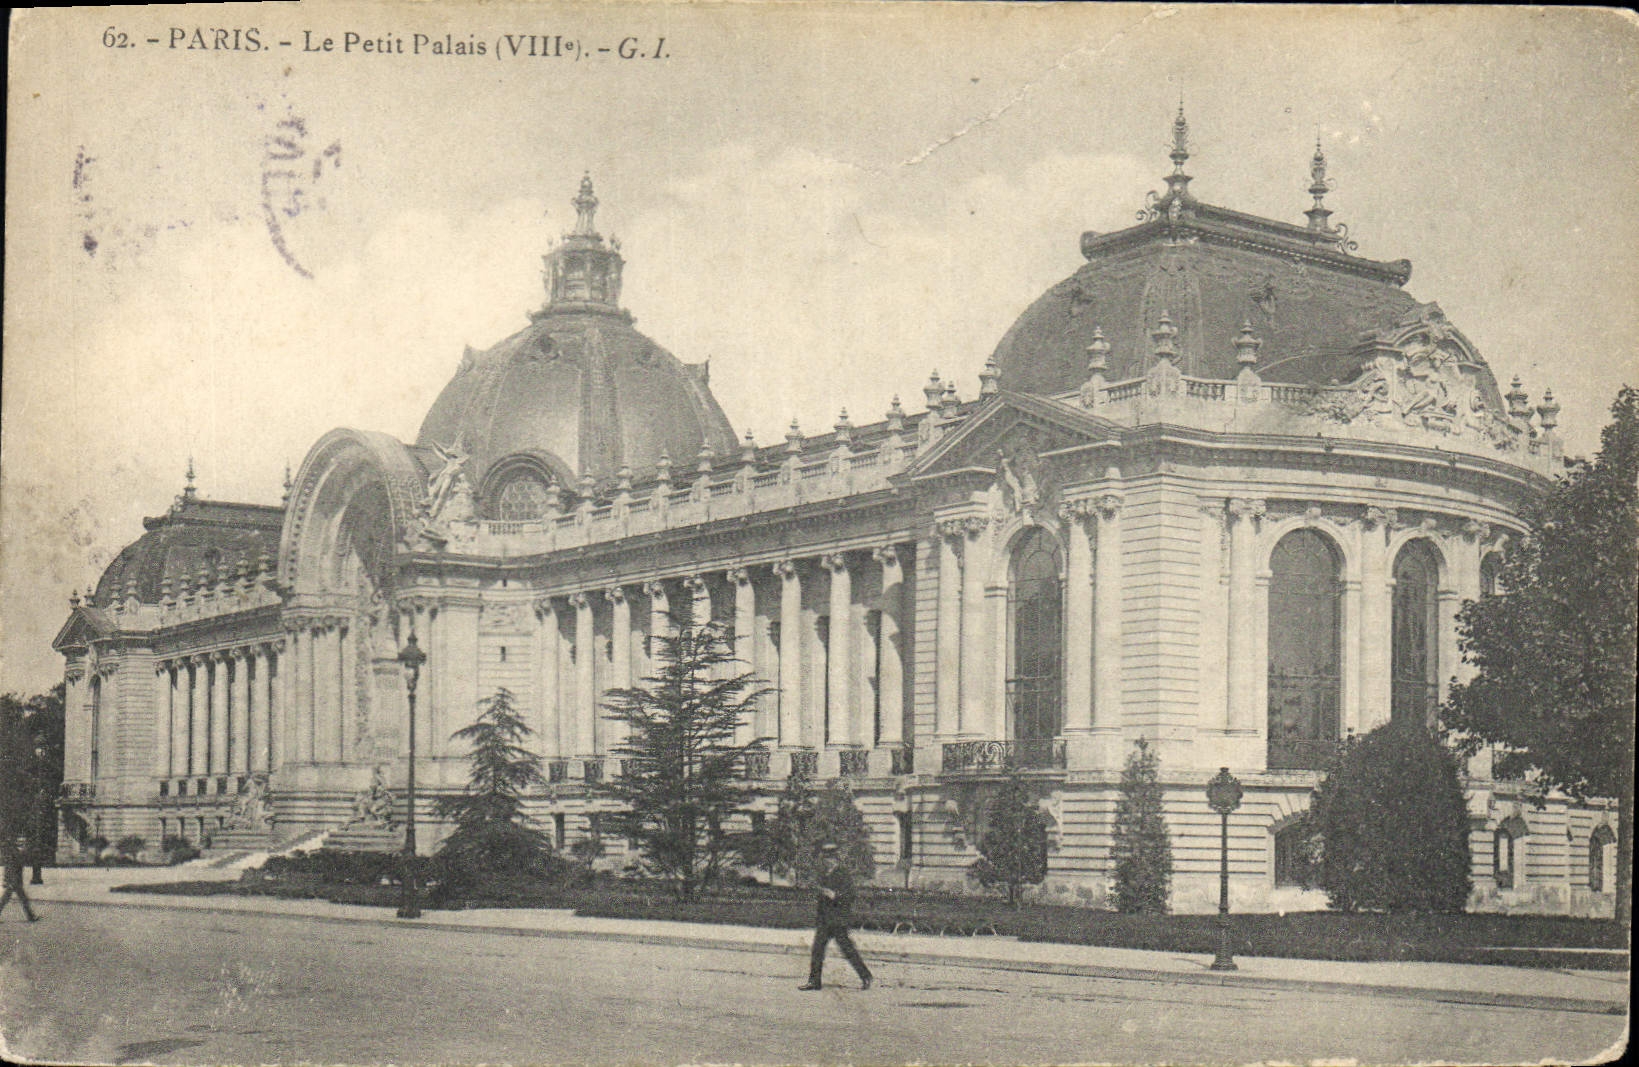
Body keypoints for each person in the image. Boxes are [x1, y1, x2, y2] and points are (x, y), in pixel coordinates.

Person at [799, 842, 871, 991]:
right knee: (817, 950)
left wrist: (835, 895)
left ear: (835, 859)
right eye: (825, 858)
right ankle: (814, 981)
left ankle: (865, 976)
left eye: (829, 859)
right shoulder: (824, 875)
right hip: (825, 920)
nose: (827, 861)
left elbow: (850, 895)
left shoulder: (843, 874)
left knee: (848, 950)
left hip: (838, 920)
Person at [1, 834, 40, 922]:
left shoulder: (20, 852)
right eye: (20, 842)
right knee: (20, 899)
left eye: (23, 842)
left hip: (16, 880)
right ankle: (31, 917)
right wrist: (7, 880)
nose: (22, 843)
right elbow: (9, 867)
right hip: (13, 881)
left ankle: (31, 916)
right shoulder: (13, 852)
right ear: (16, 843)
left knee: (8, 900)